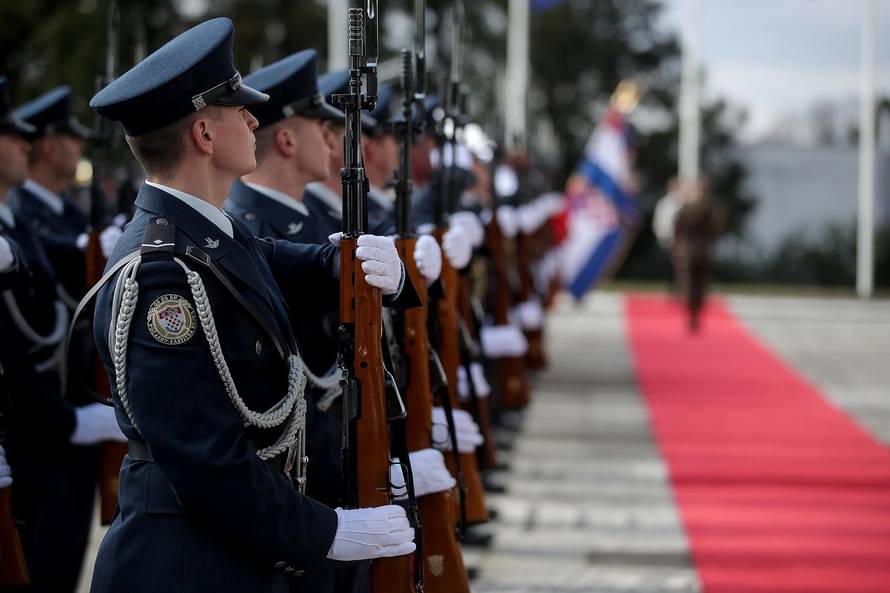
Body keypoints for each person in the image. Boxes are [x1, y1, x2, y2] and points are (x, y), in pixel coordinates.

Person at [86, 18, 415, 593]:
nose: (254, 120)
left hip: (230, 555)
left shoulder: (215, 234)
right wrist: (327, 532)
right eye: (239, 110)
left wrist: (372, 264)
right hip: (182, 566)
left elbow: (300, 264)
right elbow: (209, 464)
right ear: (205, 135)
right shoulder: (162, 276)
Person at [0, 75, 125, 593]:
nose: (22, 144)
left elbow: (60, 262)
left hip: (52, 448)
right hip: (30, 446)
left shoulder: (14, 226)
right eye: (10, 134)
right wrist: (71, 421)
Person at [672, 178, 722, 333]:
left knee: (695, 284)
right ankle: (693, 313)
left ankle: (694, 313)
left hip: (696, 251)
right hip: (698, 251)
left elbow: (678, 228)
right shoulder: (708, 209)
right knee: (693, 284)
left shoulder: (690, 207)